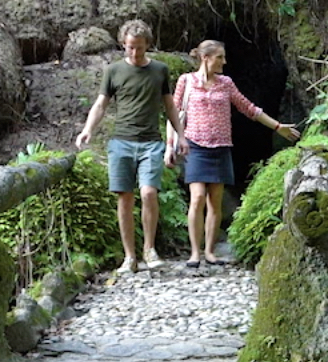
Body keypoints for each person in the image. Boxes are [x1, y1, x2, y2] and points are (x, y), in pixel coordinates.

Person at [169, 40, 300, 268]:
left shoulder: (226, 83)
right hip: (195, 145)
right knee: (197, 197)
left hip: (221, 147)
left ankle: (210, 252)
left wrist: (278, 127)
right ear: (205, 58)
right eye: (220, 57)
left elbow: (249, 108)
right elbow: (173, 112)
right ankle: (194, 252)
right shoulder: (186, 81)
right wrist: (170, 145)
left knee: (215, 202)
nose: (224, 61)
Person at [74, 19, 184, 272]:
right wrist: (88, 130)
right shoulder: (114, 71)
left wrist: (181, 135)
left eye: (140, 48)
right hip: (121, 141)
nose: (135, 53)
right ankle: (129, 256)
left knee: (148, 193)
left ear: (147, 45)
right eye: (130, 48)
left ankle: (150, 249)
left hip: (150, 143)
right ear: (124, 44)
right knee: (124, 197)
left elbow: (169, 105)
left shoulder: (159, 70)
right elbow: (101, 104)